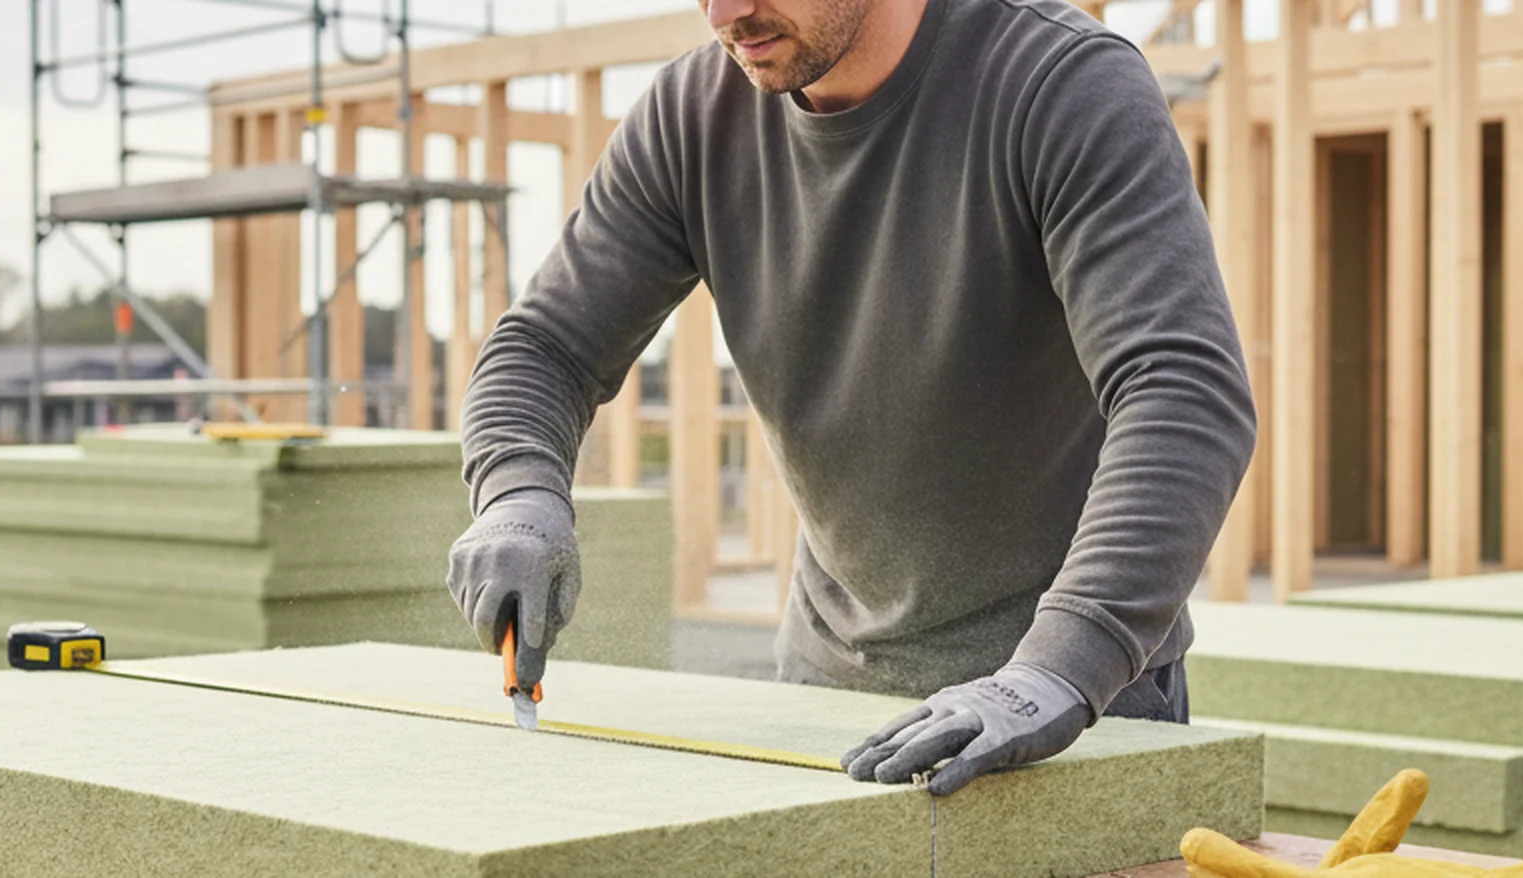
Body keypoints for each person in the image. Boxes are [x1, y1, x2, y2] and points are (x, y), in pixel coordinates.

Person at [444, 0, 1257, 796]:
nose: (726, 13)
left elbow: (1182, 390)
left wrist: (1057, 669)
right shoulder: (692, 119)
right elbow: (545, 349)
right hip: (825, 699)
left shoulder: (1056, 82)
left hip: (1071, 707)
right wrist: (517, 497)